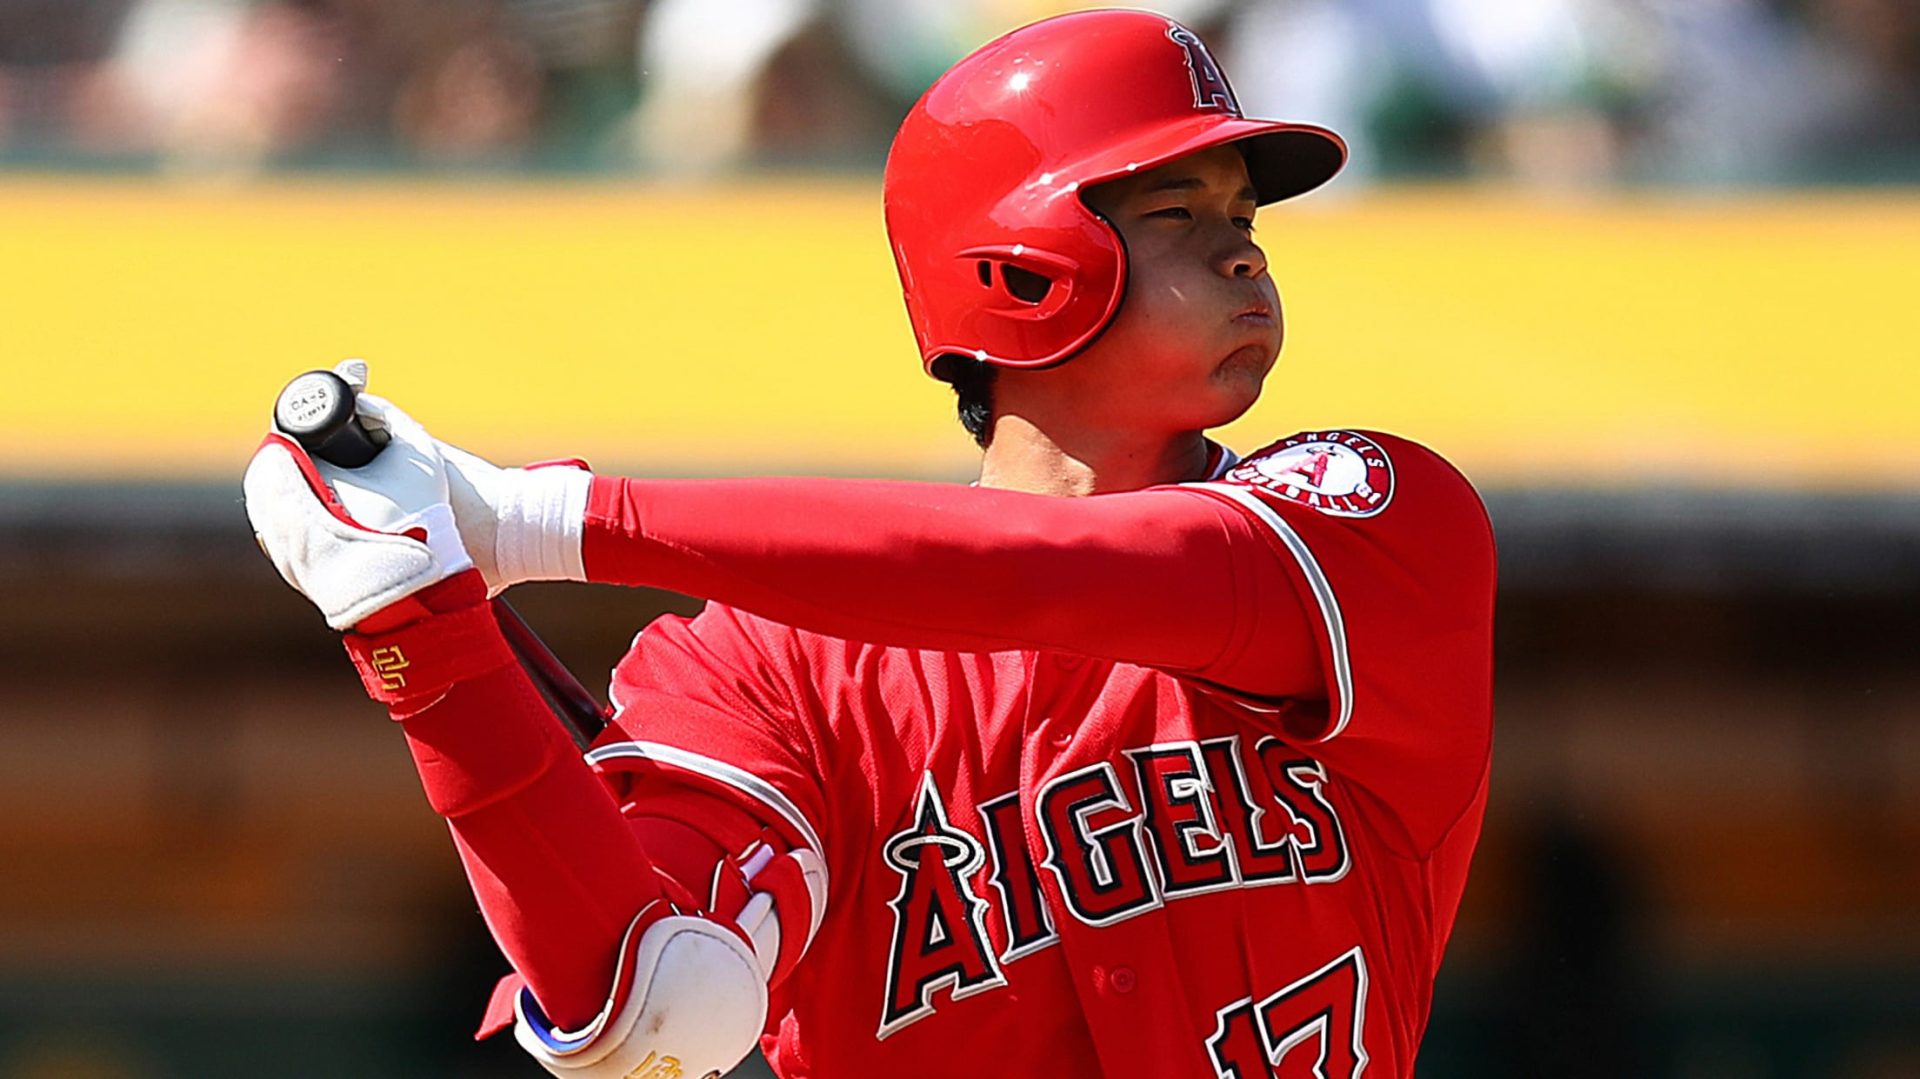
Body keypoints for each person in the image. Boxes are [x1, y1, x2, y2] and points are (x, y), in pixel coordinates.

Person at [242, 10, 1495, 1078]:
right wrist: (420, 633)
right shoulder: (766, 665)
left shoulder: (1379, 519)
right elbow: (649, 1005)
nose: (1244, 251)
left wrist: (544, 519)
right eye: (1176, 209)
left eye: (1245, 213)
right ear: (1019, 269)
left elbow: (1051, 569)